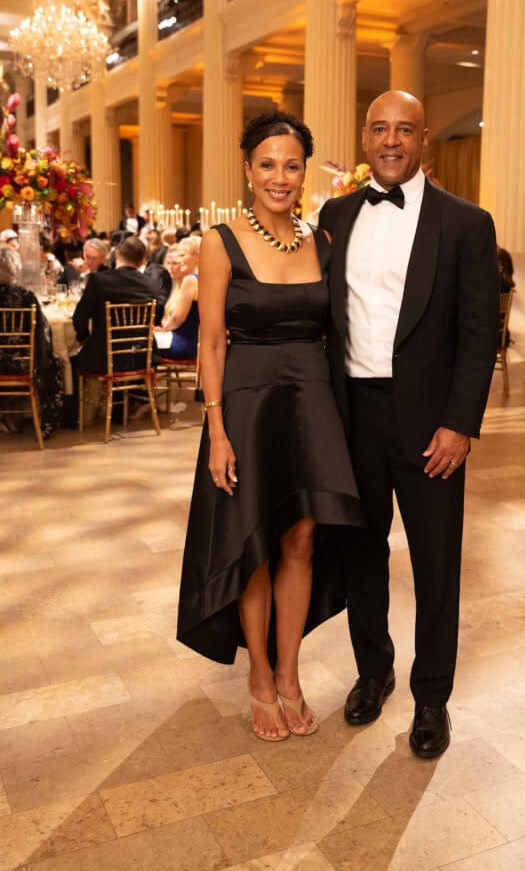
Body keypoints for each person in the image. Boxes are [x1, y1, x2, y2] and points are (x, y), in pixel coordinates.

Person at [318, 90, 499, 760]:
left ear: (424, 140)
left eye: (404, 130)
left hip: (429, 425)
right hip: (350, 417)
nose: (390, 140)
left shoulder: (464, 223)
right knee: (360, 553)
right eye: (378, 128)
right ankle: (373, 671)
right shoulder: (334, 216)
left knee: (434, 565)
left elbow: (479, 333)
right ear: (363, 137)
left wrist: (459, 423)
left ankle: (431, 699)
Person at [177, 111, 363, 743]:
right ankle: (258, 675)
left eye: (291, 165)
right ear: (247, 168)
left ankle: (290, 673)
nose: (279, 178)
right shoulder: (220, 241)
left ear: (303, 171)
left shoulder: (323, 242)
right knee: (253, 544)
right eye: (267, 164)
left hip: (312, 405)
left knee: (302, 541)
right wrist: (217, 430)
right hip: (247, 410)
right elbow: (210, 346)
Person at [72, 235, 162, 375]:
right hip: (142, 356)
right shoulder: (152, 284)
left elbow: (79, 318)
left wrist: (84, 338)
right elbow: (156, 319)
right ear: (143, 261)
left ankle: (81, 397)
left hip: (105, 358)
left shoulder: (99, 281)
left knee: (73, 357)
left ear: (117, 254)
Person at [0, 244, 64, 438]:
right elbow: (43, 331)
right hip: (21, 364)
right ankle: (46, 425)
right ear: (16, 267)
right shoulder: (25, 296)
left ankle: (7, 413)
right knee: (55, 364)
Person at [154, 235, 200, 360]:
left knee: (145, 345)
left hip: (184, 344)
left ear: (196, 256)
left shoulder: (191, 280)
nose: (181, 260)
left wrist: (164, 329)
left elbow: (177, 319)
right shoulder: (210, 279)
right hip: (199, 344)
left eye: (183, 255)